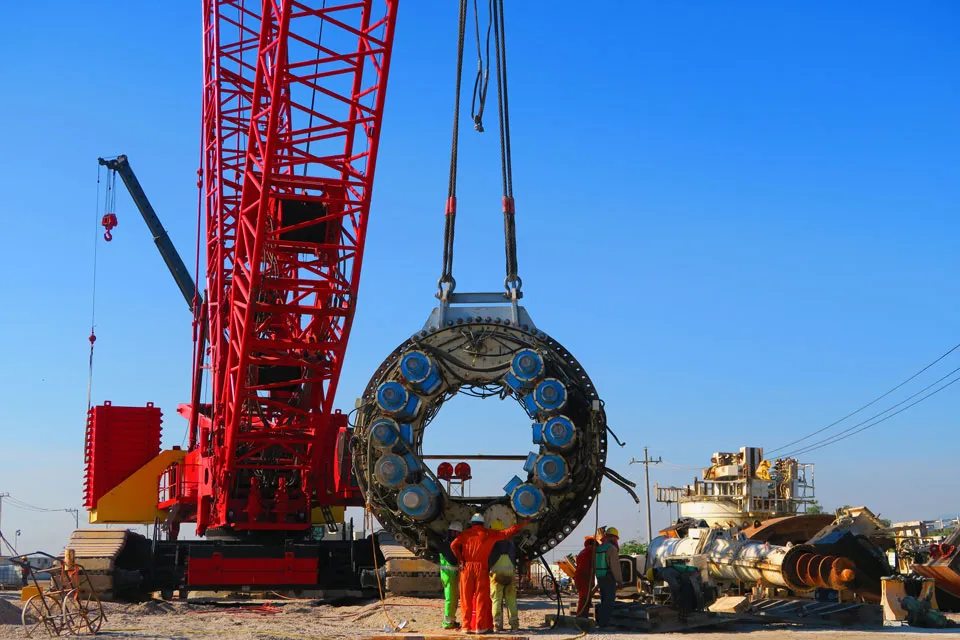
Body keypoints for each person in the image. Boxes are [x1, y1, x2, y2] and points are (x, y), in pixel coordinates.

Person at [451, 513, 529, 634]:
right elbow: (507, 533)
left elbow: (453, 545)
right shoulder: (489, 534)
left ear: (472, 523)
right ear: (483, 523)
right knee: (481, 599)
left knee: (466, 599)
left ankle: (466, 626)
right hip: (481, 568)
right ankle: (480, 627)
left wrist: (460, 560)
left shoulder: (465, 534)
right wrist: (521, 524)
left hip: (466, 568)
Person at [488, 521, 519, 632]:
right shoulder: (510, 544)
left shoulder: (491, 543)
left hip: (496, 576)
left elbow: (488, 560)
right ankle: (514, 625)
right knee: (511, 600)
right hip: (510, 575)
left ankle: (497, 625)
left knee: (496, 600)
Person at [594, 526, 623, 628]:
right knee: (609, 601)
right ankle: (604, 623)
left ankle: (601, 621)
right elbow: (615, 566)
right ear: (614, 537)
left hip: (600, 576)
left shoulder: (599, 548)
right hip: (608, 576)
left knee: (604, 599)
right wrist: (619, 580)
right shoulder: (611, 548)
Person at [439, 521, 464, 629]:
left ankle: (451, 621)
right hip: (449, 576)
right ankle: (447, 623)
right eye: (454, 533)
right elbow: (453, 560)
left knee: (453, 599)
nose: (455, 535)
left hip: (450, 576)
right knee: (450, 599)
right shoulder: (447, 545)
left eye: (456, 533)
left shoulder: (444, 543)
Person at [573, 536, 598, 617]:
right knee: (584, 598)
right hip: (585, 576)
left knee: (584, 597)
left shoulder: (582, 551)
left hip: (579, 576)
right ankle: (580, 616)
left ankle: (583, 615)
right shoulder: (592, 550)